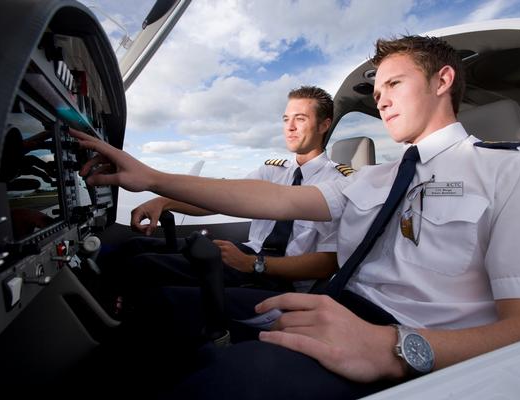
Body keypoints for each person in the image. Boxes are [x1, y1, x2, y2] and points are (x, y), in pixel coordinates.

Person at [70, 34, 520, 399]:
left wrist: (397, 348)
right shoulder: (374, 179)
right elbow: (275, 200)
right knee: (162, 314)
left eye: (395, 83)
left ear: (443, 80)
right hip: (337, 309)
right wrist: (153, 178)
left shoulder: (517, 170)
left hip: (408, 340)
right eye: (377, 94)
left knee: (221, 385)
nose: (383, 99)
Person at [97, 86, 349, 314]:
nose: (290, 127)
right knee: (135, 247)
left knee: (145, 269)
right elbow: (220, 198)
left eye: (300, 119)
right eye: (286, 119)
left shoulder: (339, 184)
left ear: (324, 125)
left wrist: (253, 263)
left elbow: (326, 263)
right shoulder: (273, 169)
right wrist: (165, 201)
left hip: (280, 279)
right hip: (249, 254)